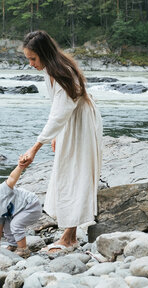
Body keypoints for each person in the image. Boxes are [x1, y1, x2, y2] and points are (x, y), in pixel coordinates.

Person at [19, 30, 103, 253]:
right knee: (66, 172)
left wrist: (35, 147)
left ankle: (68, 237)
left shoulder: (62, 71)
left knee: (76, 174)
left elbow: (59, 113)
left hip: (81, 124)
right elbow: (59, 108)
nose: (30, 63)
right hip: (72, 120)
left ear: (44, 54)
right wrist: (57, 135)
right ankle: (70, 234)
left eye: (33, 58)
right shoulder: (51, 70)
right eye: (28, 58)